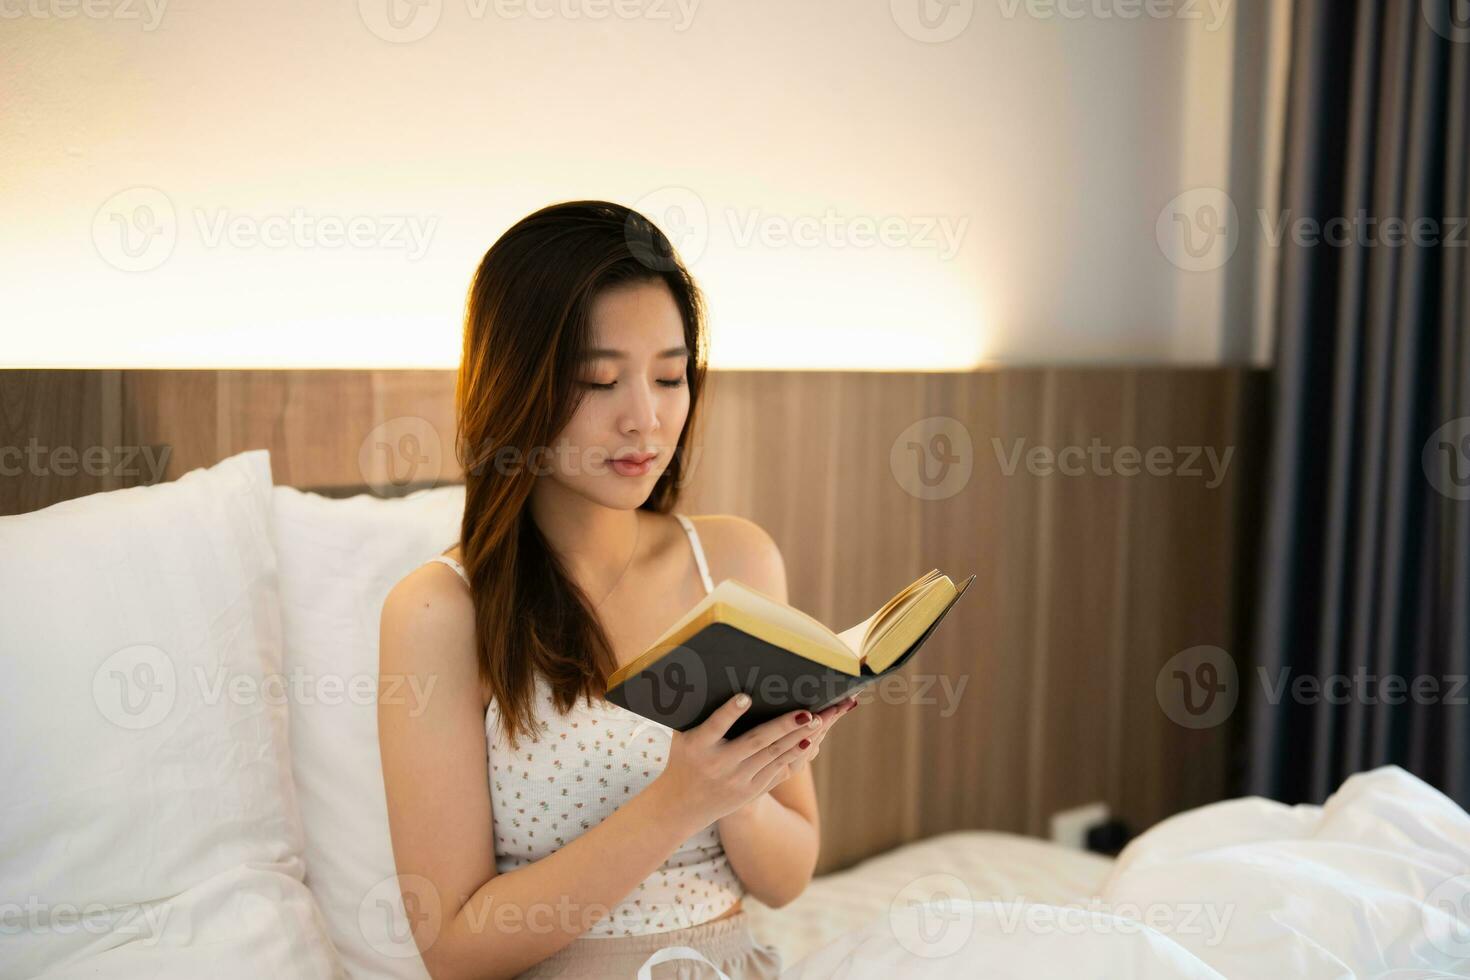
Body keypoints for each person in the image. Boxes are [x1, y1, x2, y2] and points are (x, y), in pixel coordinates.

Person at [378, 200, 859, 979]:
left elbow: (789, 873)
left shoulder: (734, 564)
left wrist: (736, 786)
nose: (646, 419)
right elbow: (452, 948)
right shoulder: (437, 613)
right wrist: (678, 801)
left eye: (670, 376)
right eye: (599, 380)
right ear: (515, 385)